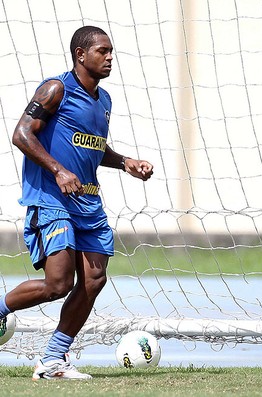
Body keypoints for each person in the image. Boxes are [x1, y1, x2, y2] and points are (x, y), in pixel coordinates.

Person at [0, 25, 153, 380]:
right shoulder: (56, 89)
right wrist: (57, 170)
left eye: (111, 51)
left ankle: (53, 360)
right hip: (52, 198)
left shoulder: (105, 100)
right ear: (81, 55)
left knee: (94, 278)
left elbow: (91, 147)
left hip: (88, 201)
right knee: (58, 284)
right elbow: (22, 134)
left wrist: (124, 162)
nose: (110, 57)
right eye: (103, 51)